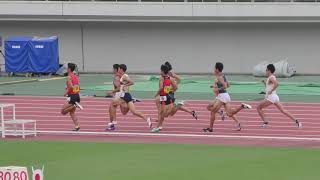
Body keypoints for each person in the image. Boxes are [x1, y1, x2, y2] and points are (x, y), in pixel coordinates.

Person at [204, 62, 252, 132]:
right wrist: (215, 86)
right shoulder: (223, 76)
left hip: (222, 96)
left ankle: (210, 128)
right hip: (225, 95)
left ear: (217, 69)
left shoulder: (219, 77)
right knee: (229, 113)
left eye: (214, 68)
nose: (214, 69)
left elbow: (225, 86)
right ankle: (242, 106)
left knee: (213, 111)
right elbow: (228, 85)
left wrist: (217, 89)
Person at [152, 64, 198, 133]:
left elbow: (162, 88)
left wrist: (157, 94)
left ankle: (158, 126)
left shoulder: (162, 77)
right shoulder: (170, 78)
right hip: (169, 95)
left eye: (160, 70)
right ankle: (159, 125)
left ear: (163, 71)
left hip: (163, 96)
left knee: (163, 112)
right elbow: (176, 87)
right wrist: (171, 91)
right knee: (166, 113)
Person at [107, 64, 152, 130]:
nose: (118, 70)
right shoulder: (122, 76)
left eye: (119, 69)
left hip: (124, 96)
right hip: (127, 96)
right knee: (134, 112)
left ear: (121, 69)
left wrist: (125, 85)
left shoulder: (124, 76)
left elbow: (132, 82)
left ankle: (114, 121)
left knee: (112, 104)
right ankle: (147, 119)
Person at [257, 64, 302, 128]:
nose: (265, 71)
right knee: (283, 110)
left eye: (266, 70)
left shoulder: (271, 77)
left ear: (269, 70)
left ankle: (265, 122)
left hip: (271, 97)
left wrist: (271, 91)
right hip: (275, 97)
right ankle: (297, 121)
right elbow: (268, 87)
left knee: (258, 107)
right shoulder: (271, 77)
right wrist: (264, 83)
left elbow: (277, 84)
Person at [61, 63, 83, 131]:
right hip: (77, 95)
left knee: (63, 111)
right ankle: (77, 126)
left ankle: (74, 105)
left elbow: (70, 87)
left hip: (72, 96)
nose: (66, 69)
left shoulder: (69, 77)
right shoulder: (75, 76)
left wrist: (66, 93)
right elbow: (77, 87)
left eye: (67, 68)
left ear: (69, 69)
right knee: (72, 113)